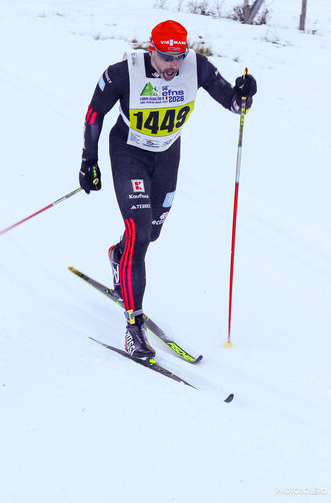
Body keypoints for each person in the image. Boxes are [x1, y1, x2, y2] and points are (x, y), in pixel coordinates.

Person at [79, 20, 257, 359]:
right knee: (139, 232)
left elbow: (236, 105)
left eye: (179, 57)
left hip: (166, 156)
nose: (173, 65)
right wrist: (89, 160)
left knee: (152, 232)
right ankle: (134, 326)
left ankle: (118, 256)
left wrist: (246, 93)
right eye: (166, 57)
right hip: (129, 151)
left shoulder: (197, 67)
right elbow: (94, 114)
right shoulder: (122, 74)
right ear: (152, 50)